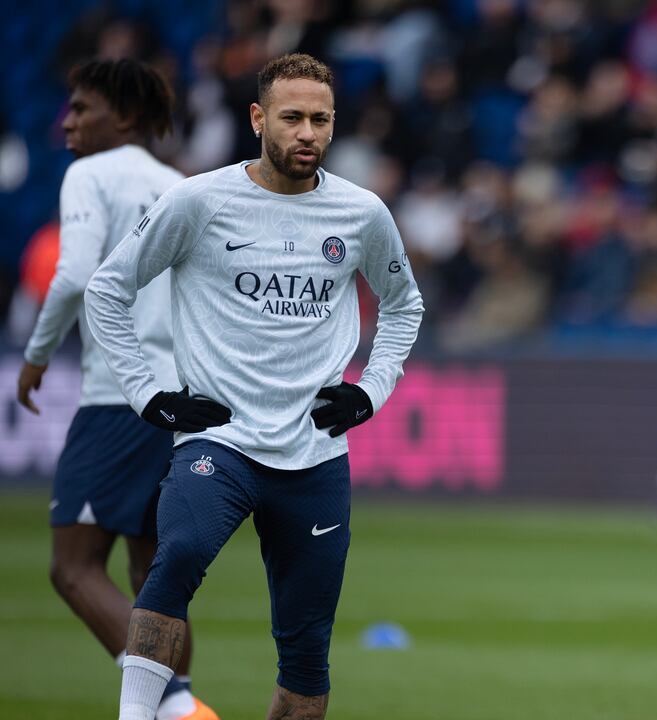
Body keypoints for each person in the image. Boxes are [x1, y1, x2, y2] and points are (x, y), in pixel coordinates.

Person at [83, 53, 424, 720]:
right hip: (221, 443)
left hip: (315, 459)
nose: (307, 133)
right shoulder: (199, 201)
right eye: (292, 117)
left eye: (320, 120)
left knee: (306, 663)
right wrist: (149, 394)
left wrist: (370, 390)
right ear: (257, 118)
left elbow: (403, 303)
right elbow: (107, 291)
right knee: (176, 556)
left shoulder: (360, 213)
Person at [16, 57, 216, 720]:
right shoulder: (183, 186)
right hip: (183, 398)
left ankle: (176, 707)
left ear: (124, 117)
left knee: (72, 567)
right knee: (153, 573)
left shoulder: (89, 175)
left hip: (121, 394)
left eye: (81, 108)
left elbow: (72, 277)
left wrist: (36, 354)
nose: (66, 120)